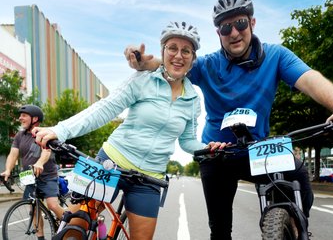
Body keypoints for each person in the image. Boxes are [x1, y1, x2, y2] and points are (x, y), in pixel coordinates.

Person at [124, 0, 333, 239]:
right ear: (218, 33)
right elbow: (174, 62)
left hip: (258, 149)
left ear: (252, 23)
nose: (234, 33)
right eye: (225, 28)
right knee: (219, 230)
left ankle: (295, 227)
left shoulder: (276, 56)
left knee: (299, 176)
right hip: (216, 152)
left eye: (240, 23)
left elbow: (309, 79)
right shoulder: (207, 65)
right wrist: (144, 63)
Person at [33, 21, 226, 240]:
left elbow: (187, 141)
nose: (178, 55)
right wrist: (61, 130)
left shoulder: (192, 100)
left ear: (192, 59)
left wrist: (206, 148)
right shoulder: (142, 80)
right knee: (73, 231)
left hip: (149, 179)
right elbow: (104, 108)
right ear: (163, 52)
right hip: (110, 163)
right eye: (172, 48)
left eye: (186, 51)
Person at [1, 104, 65, 240]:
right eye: (20, 116)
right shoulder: (19, 136)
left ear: (35, 118)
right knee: (33, 208)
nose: (20, 118)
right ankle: (40, 237)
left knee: (52, 205)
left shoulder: (44, 133)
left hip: (47, 175)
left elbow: (46, 151)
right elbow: (13, 155)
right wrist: (7, 170)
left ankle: (70, 223)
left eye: (24, 116)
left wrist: (40, 163)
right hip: (28, 176)